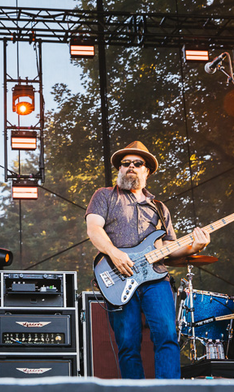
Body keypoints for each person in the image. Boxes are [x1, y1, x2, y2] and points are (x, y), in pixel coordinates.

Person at [85, 141, 210, 379]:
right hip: (120, 276)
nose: (131, 166)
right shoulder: (104, 195)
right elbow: (94, 229)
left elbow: (170, 249)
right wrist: (114, 253)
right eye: (125, 163)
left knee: (167, 337)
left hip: (156, 279)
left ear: (147, 171)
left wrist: (195, 246)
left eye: (137, 163)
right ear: (120, 169)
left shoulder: (159, 208)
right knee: (128, 343)